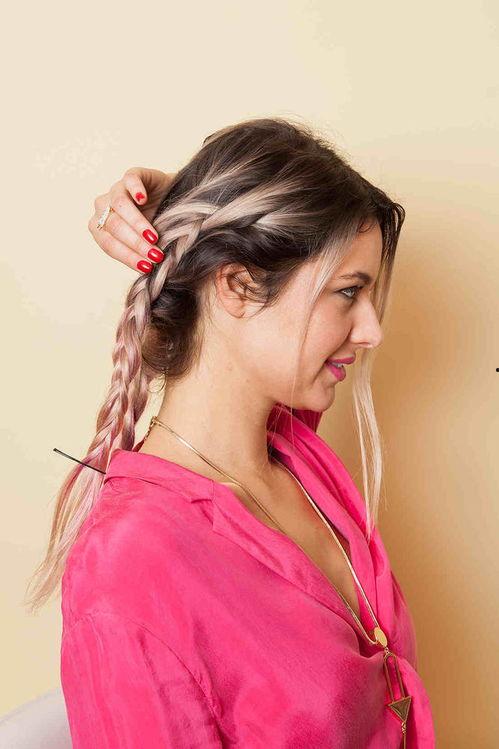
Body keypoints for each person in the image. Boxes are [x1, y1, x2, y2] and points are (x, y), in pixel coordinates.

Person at [25, 117, 436, 747]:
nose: (372, 331)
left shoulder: (296, 456)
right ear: (238, 285)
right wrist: (214, 227)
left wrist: (190, 210)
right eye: (348, 292)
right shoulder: (132, 564)